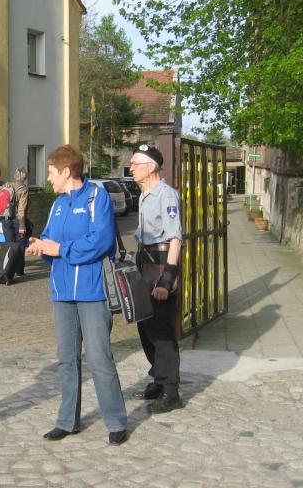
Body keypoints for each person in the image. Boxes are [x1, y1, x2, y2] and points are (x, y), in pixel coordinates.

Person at [26, 145, 129, 445]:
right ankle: (67, 421)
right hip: (61, 292)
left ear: (66, 172)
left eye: (51, 173)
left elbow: (101, 241)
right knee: (66, 359)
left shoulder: (97, 197)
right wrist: (41, 245)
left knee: (99, 359)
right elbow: (50, 237)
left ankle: (116, 421)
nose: (48, 178)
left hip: (92, 291)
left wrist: (60, 249)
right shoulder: (58, 204)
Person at [130, 144, 184, 414]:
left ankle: (171, 390)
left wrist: (168, 279)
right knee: (145, 326)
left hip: (161, 266)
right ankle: (158, 378)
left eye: (135, 164)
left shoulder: (166, 195)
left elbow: (175, 238)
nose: (131, 168)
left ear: (151, 167)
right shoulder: (144, 195)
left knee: (162, 331)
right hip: (145, 264)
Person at [0, 167, 30, 276]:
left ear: (15, 175)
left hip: (5, 220)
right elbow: (21, 209)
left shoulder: (7, 185)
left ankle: (9, 270)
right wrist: (22, 225)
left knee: (10, 245)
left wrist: (2, 200)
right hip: (17, 220)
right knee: (20, 245)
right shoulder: (23, 189)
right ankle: (19, 271)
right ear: (25, 177)